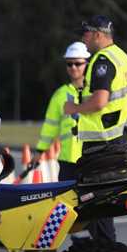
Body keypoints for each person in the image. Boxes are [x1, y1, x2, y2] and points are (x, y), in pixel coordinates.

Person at [62, 15, 127, 242]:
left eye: (86, 33)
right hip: (119, 139)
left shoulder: (103, 61)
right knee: (105, 203)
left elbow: (100, 101)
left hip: (102, 142)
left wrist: (74, 107)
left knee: (96, 204)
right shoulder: (124, 59)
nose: (83, 38)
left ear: (98, 34)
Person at [32, 42, 88, 181]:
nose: (73, 67)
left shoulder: (96, 92)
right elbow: (50, 127)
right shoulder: (60, 95)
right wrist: (40, 151)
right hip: (67, 161)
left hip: (90, 158)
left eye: (77, 63)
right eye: (69, 64)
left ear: (87, 63)